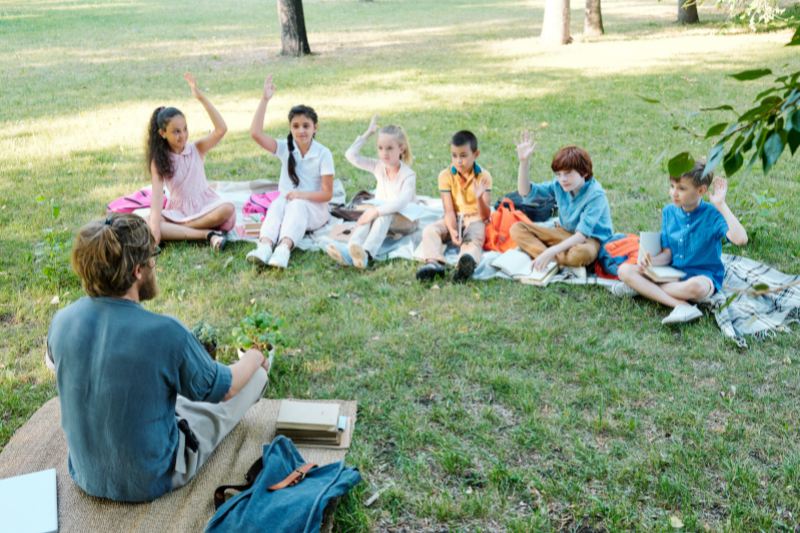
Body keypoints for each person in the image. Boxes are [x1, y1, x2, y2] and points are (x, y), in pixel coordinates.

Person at [45, 213, 270, 502]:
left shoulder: (61, 320)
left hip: (85, 475)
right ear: (138, 270)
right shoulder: (166, 333)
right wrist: (253, 357)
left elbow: (56, 365)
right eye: (154, 257)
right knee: (251, 379)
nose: (155, 264)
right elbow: (227, 390)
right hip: (152, 478)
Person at [613, 162, 748, 325]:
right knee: (625, 271)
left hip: (702, 277)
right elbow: (668, 255)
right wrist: (649, 262)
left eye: (681, 189)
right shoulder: (669, 211)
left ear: (701, 191)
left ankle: (644, 289)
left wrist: (721, 205)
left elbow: (741, 239)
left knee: (695, 288)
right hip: (673, 274)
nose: (674, 193)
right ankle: (682, 305)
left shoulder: (713, 214)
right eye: (672, 186)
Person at [246, 74, 334, 269]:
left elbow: (327, 193)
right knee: (277, 204)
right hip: (286, 204)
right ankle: (265, 247)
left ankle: (283, 250)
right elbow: (255, 134)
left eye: (306, 126)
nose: (301, 130)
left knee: (295, 206)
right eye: (296, 126)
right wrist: (264, 99)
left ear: (315, 128)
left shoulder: (323, 153)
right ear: (290, 128)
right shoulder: (285, 147)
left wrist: (300, 195)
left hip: (313, 208)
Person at [147, 72, 235, 251]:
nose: (183, 135)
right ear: (163, 134)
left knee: (228, 208)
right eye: (176, 131)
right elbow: (157, 195)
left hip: (207, 207)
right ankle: (205, 234)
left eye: (185, 129)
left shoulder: (197, 148)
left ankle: (179, 231)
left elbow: (221, 129)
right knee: (148, 222)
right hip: (179, 212)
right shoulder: (159, 160)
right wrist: (155, 225)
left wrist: (200, 96)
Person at [509, 133, 614, 277]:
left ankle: (548, 256)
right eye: (558, 174)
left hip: (590, 240)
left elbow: (581, 236)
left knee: (581, 254)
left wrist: (552, 250)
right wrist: (523, 162)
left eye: (568, 173)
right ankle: (559, 263)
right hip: (563, 233)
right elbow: (526, 192)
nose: (562, 179)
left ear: (584, 172)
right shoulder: (558, 185)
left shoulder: (596, 195)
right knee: (516, 228)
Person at [327, 114, 418, 269]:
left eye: (390, 148)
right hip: (383, 216)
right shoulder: (378, 166)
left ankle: (367, 254)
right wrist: (368, 133)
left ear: (401, 149)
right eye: (380, 148)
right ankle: (352, 250)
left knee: (380, 214)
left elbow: (401, 202)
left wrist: (374, 212)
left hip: (407, 220)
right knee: (368, 215)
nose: (384, 153)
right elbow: (350, 155)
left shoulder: (408, 174)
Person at [416, 130, 492, 283]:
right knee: (430, 230)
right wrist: (451, 230)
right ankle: (433, 263)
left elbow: (485, 216)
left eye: (464, 156)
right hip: (454, 216)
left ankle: (465, 265)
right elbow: (448, 210)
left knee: (473, 240)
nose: (458, 161)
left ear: (476, 154)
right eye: (454, 155)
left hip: (476, 218)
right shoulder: (445, 176)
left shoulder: (484, 176)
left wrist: (479, 198)